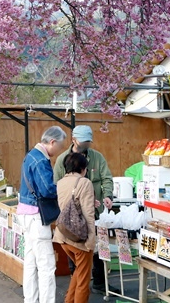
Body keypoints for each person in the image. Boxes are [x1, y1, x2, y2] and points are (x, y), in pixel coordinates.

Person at [53, 125, 114, 294]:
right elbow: (57, 184)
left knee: (99, 251)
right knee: (79, 253)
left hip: (96, 212)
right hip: (72, 216)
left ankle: (99, 283)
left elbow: (107, 178)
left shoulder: (97, 157)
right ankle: (79, 284)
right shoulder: (62, 160)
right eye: (84, 141)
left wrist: (107, 196)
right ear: (74, 140)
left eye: (89, 141)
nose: (87, 144)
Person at [17, 125, 67, 303]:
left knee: (31, 262)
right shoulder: (40, 160)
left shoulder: (30, 155)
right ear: (52, 142)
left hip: (25, 213)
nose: (59, 151)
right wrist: (64, 187)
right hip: (36, 217)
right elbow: (47, 190)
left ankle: (30, 300)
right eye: (59, 147)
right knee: (46, 266)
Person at [53, 152, 97, 303]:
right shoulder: (84, 183)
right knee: (83, 282)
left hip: (63, 235)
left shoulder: (60, 183)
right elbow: (88, 214)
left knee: (79, 271)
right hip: (79, 239)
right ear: (83, 168)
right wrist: (91, 241)